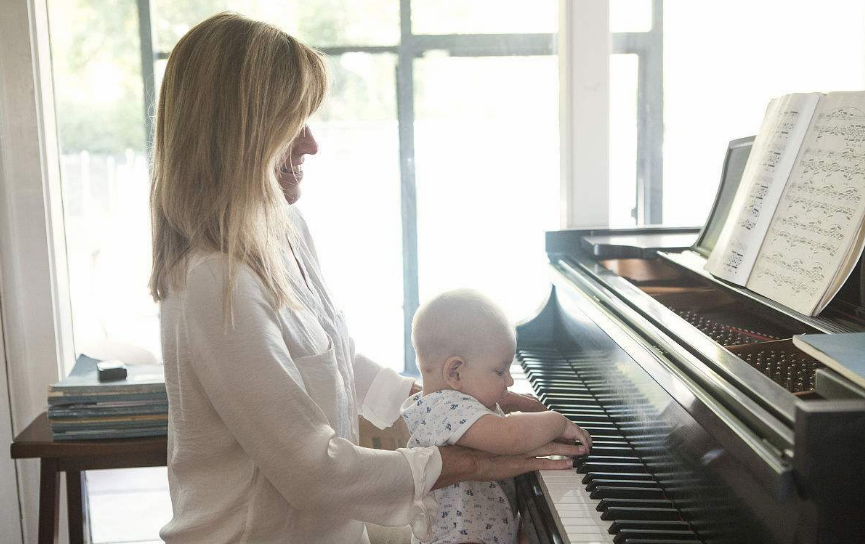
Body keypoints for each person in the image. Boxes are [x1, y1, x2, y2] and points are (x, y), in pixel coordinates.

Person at [149, 12, 589, 544]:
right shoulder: (212, 284)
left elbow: (334, 357)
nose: (311, 145)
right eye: (294, 124)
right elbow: (314, 472)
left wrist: (452, 403)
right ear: (239, 135)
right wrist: (468, 461)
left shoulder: (283, 228)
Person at [401, 289, 592, 544]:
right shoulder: (446, 408)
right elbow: (510, 435)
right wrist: (557, 421)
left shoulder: (454, 402)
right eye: (500, 371)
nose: (510, 380)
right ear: (455, 372)